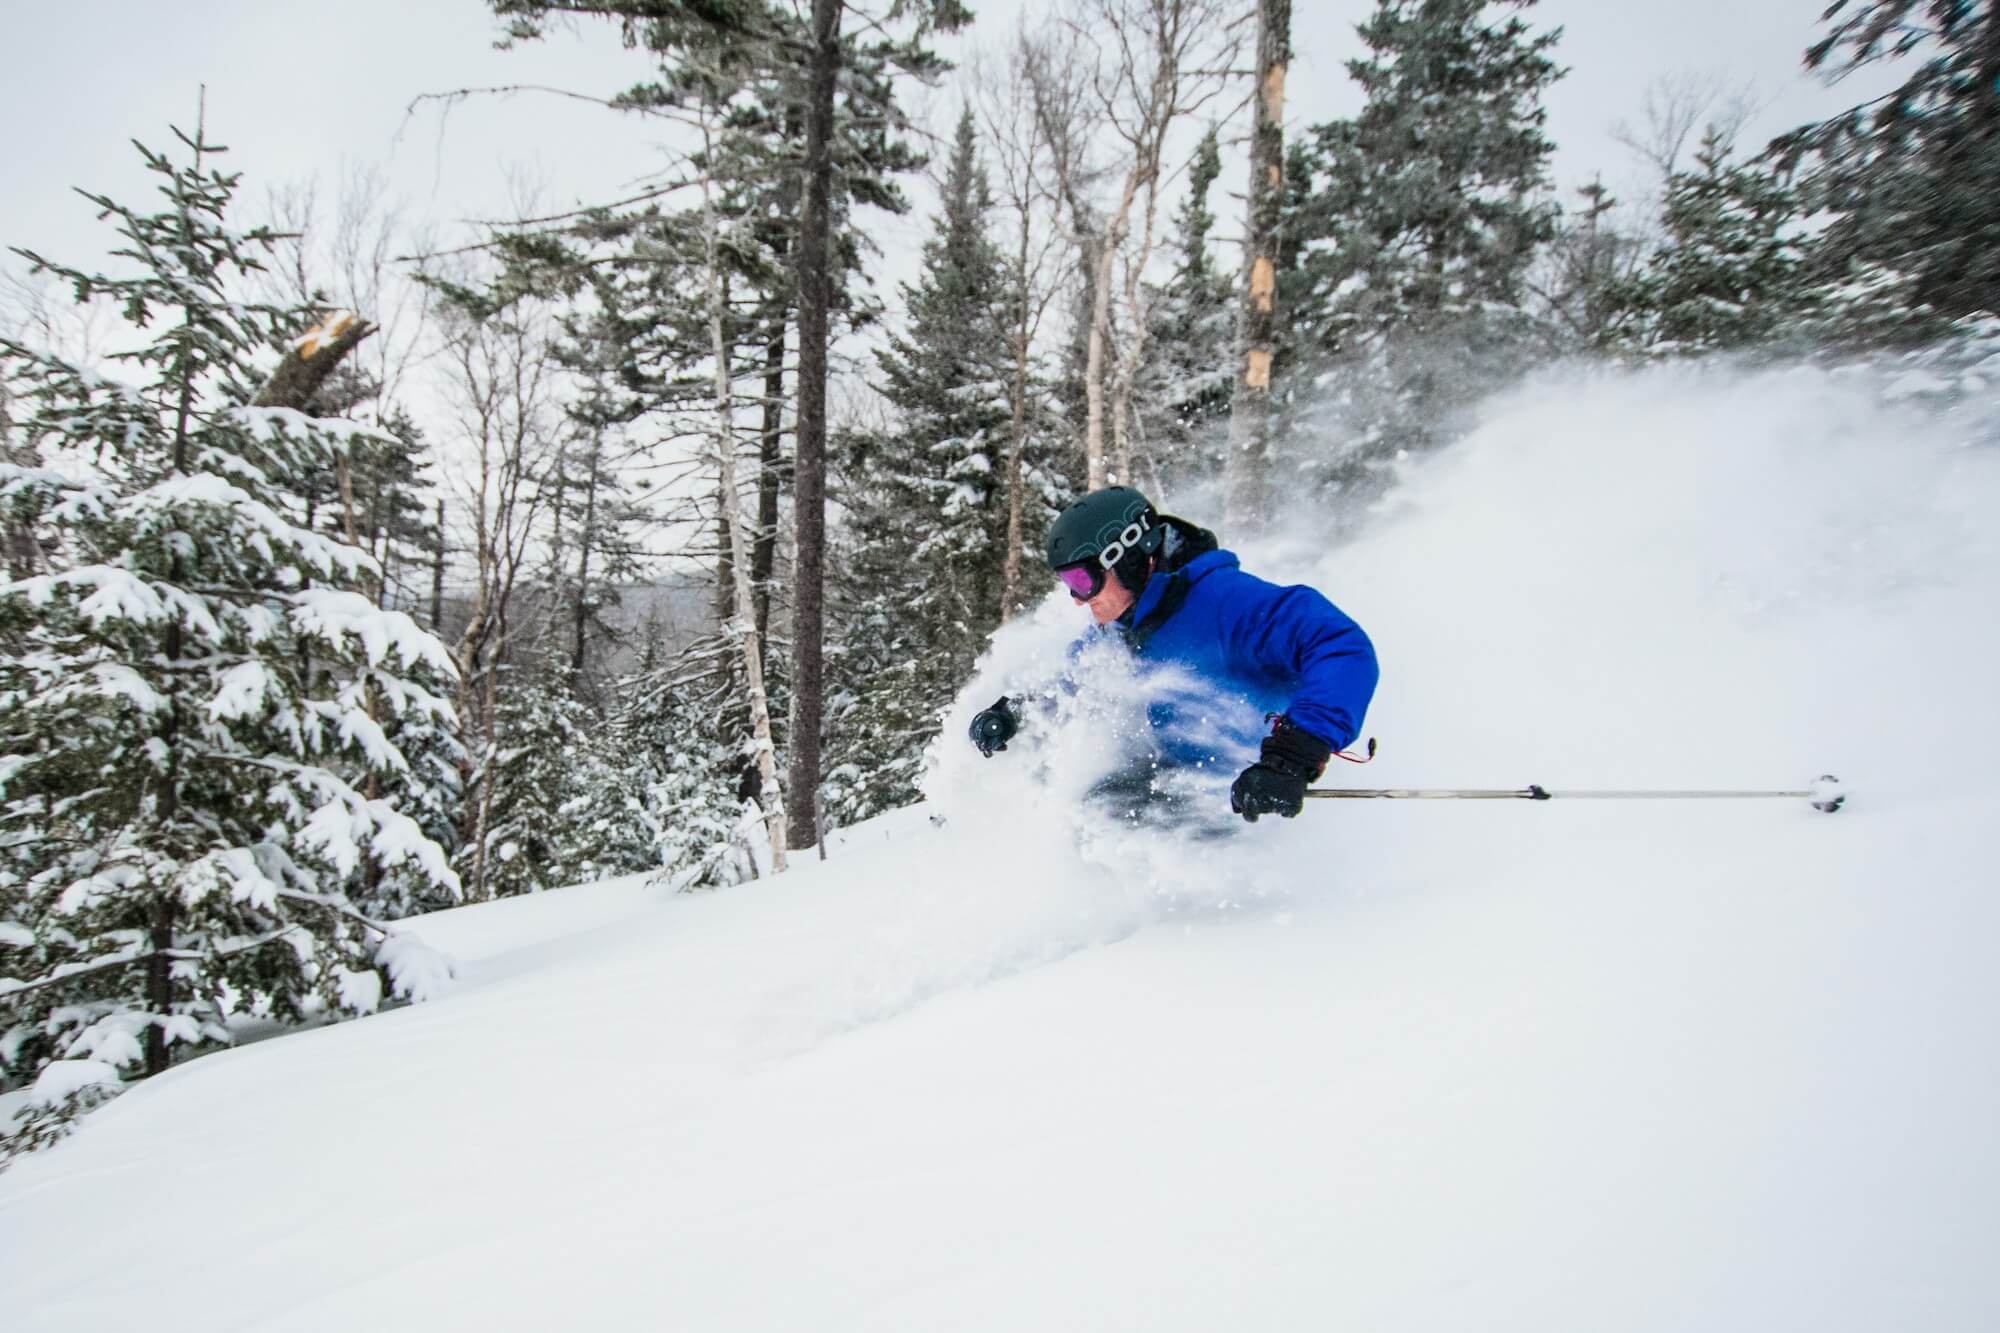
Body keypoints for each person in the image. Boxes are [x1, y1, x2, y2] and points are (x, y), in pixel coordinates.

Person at [967, 485, 1379, 823]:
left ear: (1125, 557)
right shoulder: (1121, 627)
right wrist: (1015, 713)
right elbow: (1076, 684)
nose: (1077, 599)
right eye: (1068, 583)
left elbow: (1341, 646)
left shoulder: (1226, 603)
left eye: (1082, 579)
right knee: (1086, 808)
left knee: (1105, 822)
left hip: (1261, 792)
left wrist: (1294, 755)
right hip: (1187, 784)